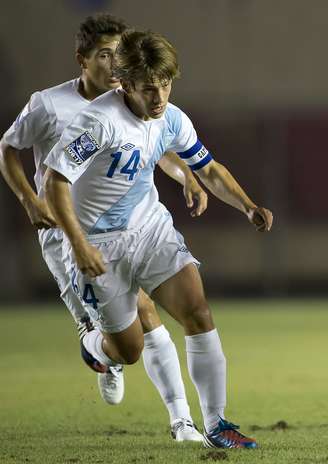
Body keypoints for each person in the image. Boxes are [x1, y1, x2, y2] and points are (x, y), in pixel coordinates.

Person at [44, 29, 273, 449]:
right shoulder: (98, 122)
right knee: (128, 350)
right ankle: (95, 345)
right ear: (125, 83)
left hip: (149, 229)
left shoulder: (171, 117)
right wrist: (78, 244)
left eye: (166, 84)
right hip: (98, 243)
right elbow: (54, 182)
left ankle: (217, 424)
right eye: (149, 88)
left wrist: (248, 206)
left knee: (198, 311)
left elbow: (208, 168)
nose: (159, 96)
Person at [0, 14, 208, 442]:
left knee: (149, 312)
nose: (115, 65)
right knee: (115, 338)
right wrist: (28, 199)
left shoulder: (126, 98)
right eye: (105, 55)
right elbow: (7, 147)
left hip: (123, 232)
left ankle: (182, 421)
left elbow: (148, 146)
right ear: (82, 59)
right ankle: (98, 349)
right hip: (64, 235)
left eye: (119, 55)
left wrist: (183, 172)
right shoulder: (49, 105)